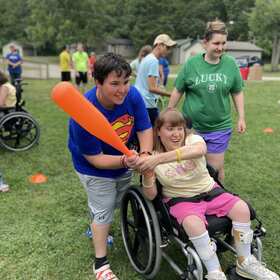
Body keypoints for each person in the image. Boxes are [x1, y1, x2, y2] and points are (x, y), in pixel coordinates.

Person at [138, 108, 279, 280]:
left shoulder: (193, 140)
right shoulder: (152, 157)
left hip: (210, 191)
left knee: (242, 209)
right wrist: (148, 175)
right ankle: (214, 272)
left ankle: (245, 262)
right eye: (170, 129)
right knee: (193, 224)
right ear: (158, 131)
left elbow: (199, 150)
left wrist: (157, 159)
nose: (176, 134)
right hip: (181, 200)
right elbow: (151, 195)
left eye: (179, 128)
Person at [68, 53, 153, 280]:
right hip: (92, 166)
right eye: (114, 83)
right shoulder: (83, 112)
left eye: (126, 82)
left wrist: (144, 154)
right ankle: (100, 264)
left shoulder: (132, 95)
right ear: (98, 82)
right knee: (105, 206)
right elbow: (95, 159)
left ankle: (95, 219)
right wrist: (126, 160)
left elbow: (145, 128)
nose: (122, 89)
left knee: (118, 200)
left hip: (125, 157)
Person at [168, 20, 246, 182]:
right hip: (191, 127)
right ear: (205, 43)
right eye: (216, 43)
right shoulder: (191, 64)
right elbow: (178, 90)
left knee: (214, 171)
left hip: (219, 127)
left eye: (223, 43)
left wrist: (241, 117)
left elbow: (237, 91)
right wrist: (169, 111)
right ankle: (193, 199)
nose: (220, 47)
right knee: (191, 167)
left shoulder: (230, 64)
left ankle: (216, 201)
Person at [135, 34, 176, 126]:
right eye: (167, 47)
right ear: (159, 45)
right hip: (147, 103)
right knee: (155, 132)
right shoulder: (153, 61)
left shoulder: (147, 58)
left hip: (140, 101)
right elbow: (152, 88)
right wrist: (171, 94)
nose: (169, 51)